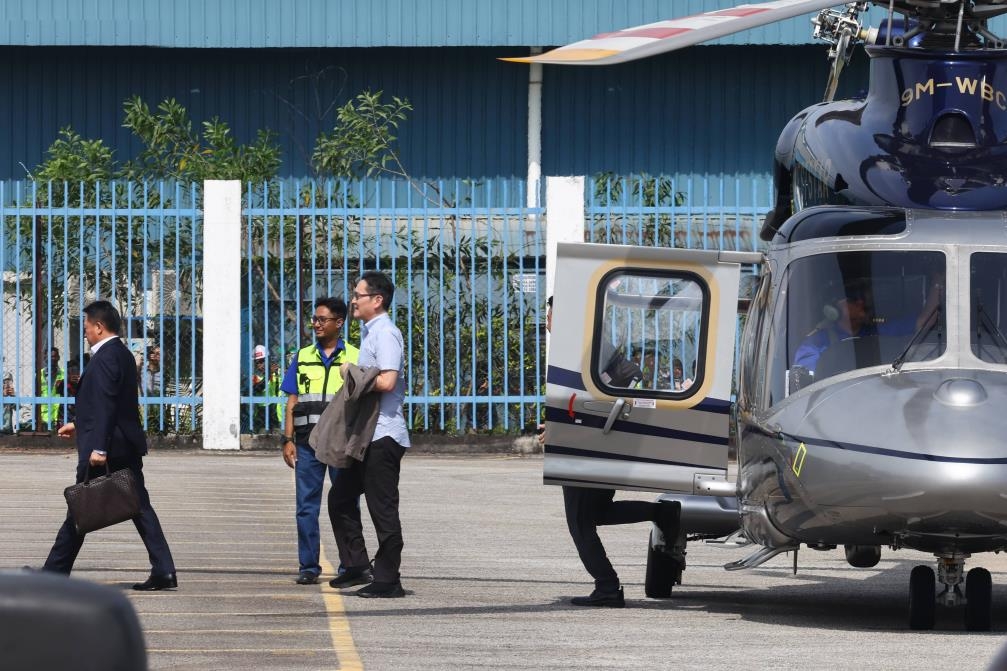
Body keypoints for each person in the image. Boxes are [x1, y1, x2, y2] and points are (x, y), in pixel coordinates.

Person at [545, 295, 682, 607]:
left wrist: (562, 429)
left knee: (580, 523)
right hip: (599, 441)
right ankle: (661, 512)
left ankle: (607, 586)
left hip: (586, 447)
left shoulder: (582, 352)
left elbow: (585, 401)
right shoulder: (592, 348)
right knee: (598, 514)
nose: (547, 321)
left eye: (551, 313)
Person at [42, 300, 177, 590]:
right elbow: (111, 403)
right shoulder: (123, 354)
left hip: (108, 448)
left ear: (99, 327)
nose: (86, 332)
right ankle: (164, 570)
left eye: (88, 327)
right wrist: (78, 424)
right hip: (121, 442)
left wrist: (99, 448)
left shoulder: (105, 357)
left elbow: (105, 405)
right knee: (139, 507)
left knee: (80, 506)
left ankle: (53, 574)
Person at [328, 271, 410, 598]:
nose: (353, 301)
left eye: (358, 295)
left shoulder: (386, 333)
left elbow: (388, 381)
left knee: (382, 509)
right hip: (366, 436)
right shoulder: (370, 333)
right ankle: (357, 564)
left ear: (376, 300)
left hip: (384, 437)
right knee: (341, 498)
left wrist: (352, 373)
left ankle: (389, 579)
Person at [280, 298, 360, 585]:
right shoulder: (302, 356)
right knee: (306, 506)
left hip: (340, 444)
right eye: (314, 319)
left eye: (322, 319)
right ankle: (308, 567)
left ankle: (349, 565)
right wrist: (287, 439)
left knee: (346, 504)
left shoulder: (354, 356)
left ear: (339, 323)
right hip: (307, 444)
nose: (315, 324)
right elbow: (292, 400)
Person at [39, 347, 65, 430]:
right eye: (49, 356)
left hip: (59, 417)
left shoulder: (65, 374)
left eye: (54, 356)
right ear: (44, 358)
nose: (51, 359)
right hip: (43, 418)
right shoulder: (39, 375)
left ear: (58, 358)